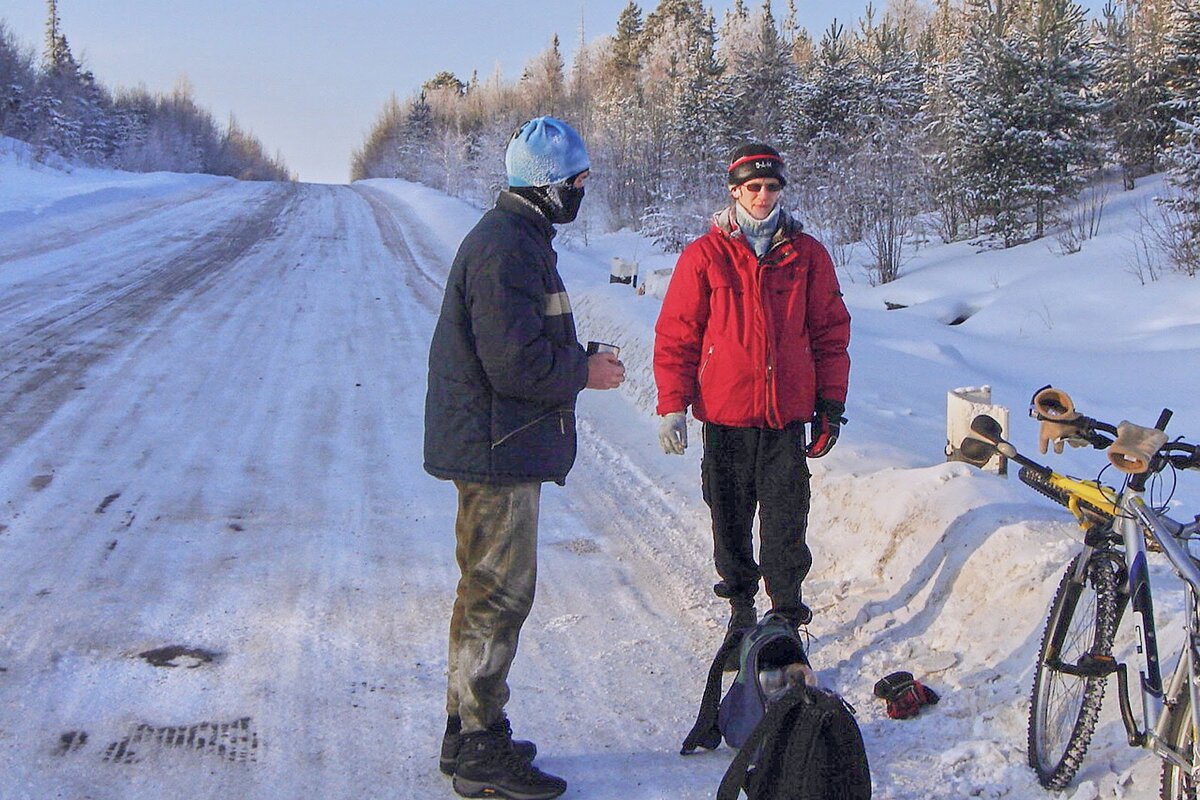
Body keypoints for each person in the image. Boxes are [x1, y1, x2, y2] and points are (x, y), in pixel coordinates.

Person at [424, 116, 625, 800]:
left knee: (485, 593)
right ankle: (480, 749)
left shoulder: (517, 237)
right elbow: (514, 364)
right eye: (577, 181)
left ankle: (469, 730)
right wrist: (583, 372)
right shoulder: (507, 246)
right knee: (498, 597)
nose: (581, 191)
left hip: (494, 442)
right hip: (495, 448)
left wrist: (578, 355)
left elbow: (517, 342)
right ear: (548, 186)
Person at [652, 142, 851, 649]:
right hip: (725, 416)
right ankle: (741, 607)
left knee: (786, 519)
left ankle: (786, 613)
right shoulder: (706, 255)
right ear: (735, 191)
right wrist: (673, 405)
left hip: (784, 418)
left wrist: (830, 405)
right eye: (753, 187)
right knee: (729, 513)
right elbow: (678, 334)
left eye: (772, 187)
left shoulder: (806, 255)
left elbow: (831, 334)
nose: (763, 196)